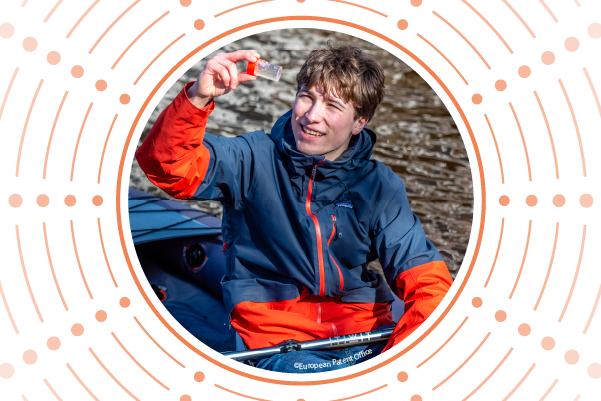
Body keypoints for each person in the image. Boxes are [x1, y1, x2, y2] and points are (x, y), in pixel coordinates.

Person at [136, 44, 453, 373]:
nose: (312, 115)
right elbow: (166, 167)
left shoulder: (380, 187)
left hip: (365, 336)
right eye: (307, 96)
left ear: (359, 121)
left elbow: (426, 279)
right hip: (277, 340)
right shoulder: (252, 158)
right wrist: (198, 98)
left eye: (332, 105)